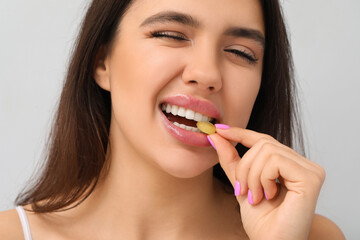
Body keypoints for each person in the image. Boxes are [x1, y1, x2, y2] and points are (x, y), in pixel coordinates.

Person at [0, 0, 345, 239]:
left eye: (241, 53)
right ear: (102, 62)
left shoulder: (310, 236)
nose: (207, 73)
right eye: (171, 35)